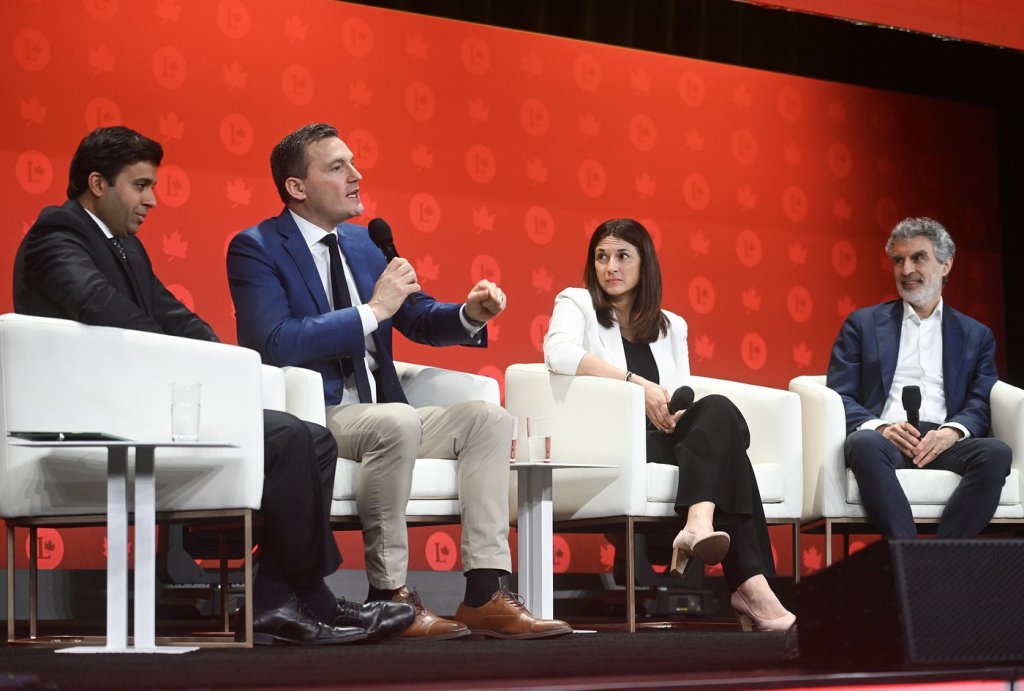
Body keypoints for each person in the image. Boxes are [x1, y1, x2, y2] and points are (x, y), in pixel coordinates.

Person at [13, 126, 415, 646]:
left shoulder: (125, 245)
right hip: (91, 420)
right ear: (97, 184)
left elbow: (173, 315)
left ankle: (292, 598)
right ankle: (289, 601)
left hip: (135, 406)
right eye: (140, 186)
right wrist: (195, 362)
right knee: (291, 437)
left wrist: (225, 361)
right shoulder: (57, 235)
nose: (152, 200)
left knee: (312, 437)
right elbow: (105, 311)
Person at [226, 122, 571, 640]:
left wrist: (468, 315)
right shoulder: (256, 247)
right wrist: (371, 311)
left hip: (381, 410)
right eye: (337, 167)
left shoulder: (365, 245)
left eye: (353, 162)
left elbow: (416, 316)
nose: (356, 175)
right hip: (315, 417)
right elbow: (275, 341)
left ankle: (485, 593)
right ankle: (389, 593)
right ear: (296, 187)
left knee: (487, 419)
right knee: (396, 423)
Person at [544, 218, 795, 633]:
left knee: (717, 411)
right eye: (602, 257)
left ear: (644, 264)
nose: (610, 267)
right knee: (729, 447)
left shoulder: (671, 325)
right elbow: (558, 353)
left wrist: (672, 412)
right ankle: (750, 587)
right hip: (611, 442)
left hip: (663, 439)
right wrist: (635, 384)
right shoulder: (577, 302)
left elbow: (679, 392)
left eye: (622, 256)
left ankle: (700, 526)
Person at [826, 216, 1011, 539]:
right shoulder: (862, 325)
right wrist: (881, 428)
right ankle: (908, 551)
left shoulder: (975, 334)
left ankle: (943, 556)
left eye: (918, 258)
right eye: (899, 260)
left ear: (946, 264)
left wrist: (952, 432)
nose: (906, 269)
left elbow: (981, 400)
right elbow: (840, 395)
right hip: (886, 440)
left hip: (943, 440)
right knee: (862, 443)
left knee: (996, 453)